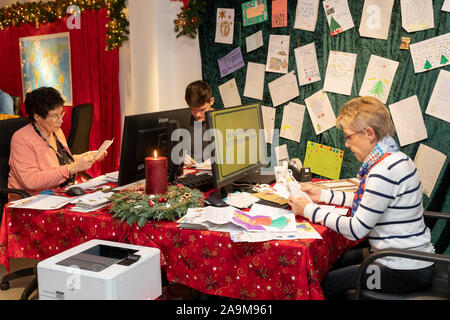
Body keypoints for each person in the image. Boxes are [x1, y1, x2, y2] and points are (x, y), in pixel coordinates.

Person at [288, 96, 434, 299]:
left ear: (369, 133)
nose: (346, 144)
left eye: (348, 137)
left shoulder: (383, 172)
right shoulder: (396, 158)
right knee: (336, 259)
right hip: (412, 259)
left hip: (404, 271)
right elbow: (368, 200)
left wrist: (309, 210)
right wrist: (322, 194)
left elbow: (356, 230)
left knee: (326, 284)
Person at [8, 87, 107, 198]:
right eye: (55, 116)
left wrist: (86, 157)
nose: (61, 120)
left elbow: (59, 165)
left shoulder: (56, 131)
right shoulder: (21, 139)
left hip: (60, 193)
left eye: (61, 114)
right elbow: (31, 181)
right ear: (37, 116)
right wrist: (72, 168)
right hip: (33, 200)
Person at [184, 80, 215, 165]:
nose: (197, 115)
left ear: (211, 101)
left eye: (202, 110)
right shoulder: (184, 120)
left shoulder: (222, 120)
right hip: (192, 172)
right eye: (192, 109)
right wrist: (182, 156)